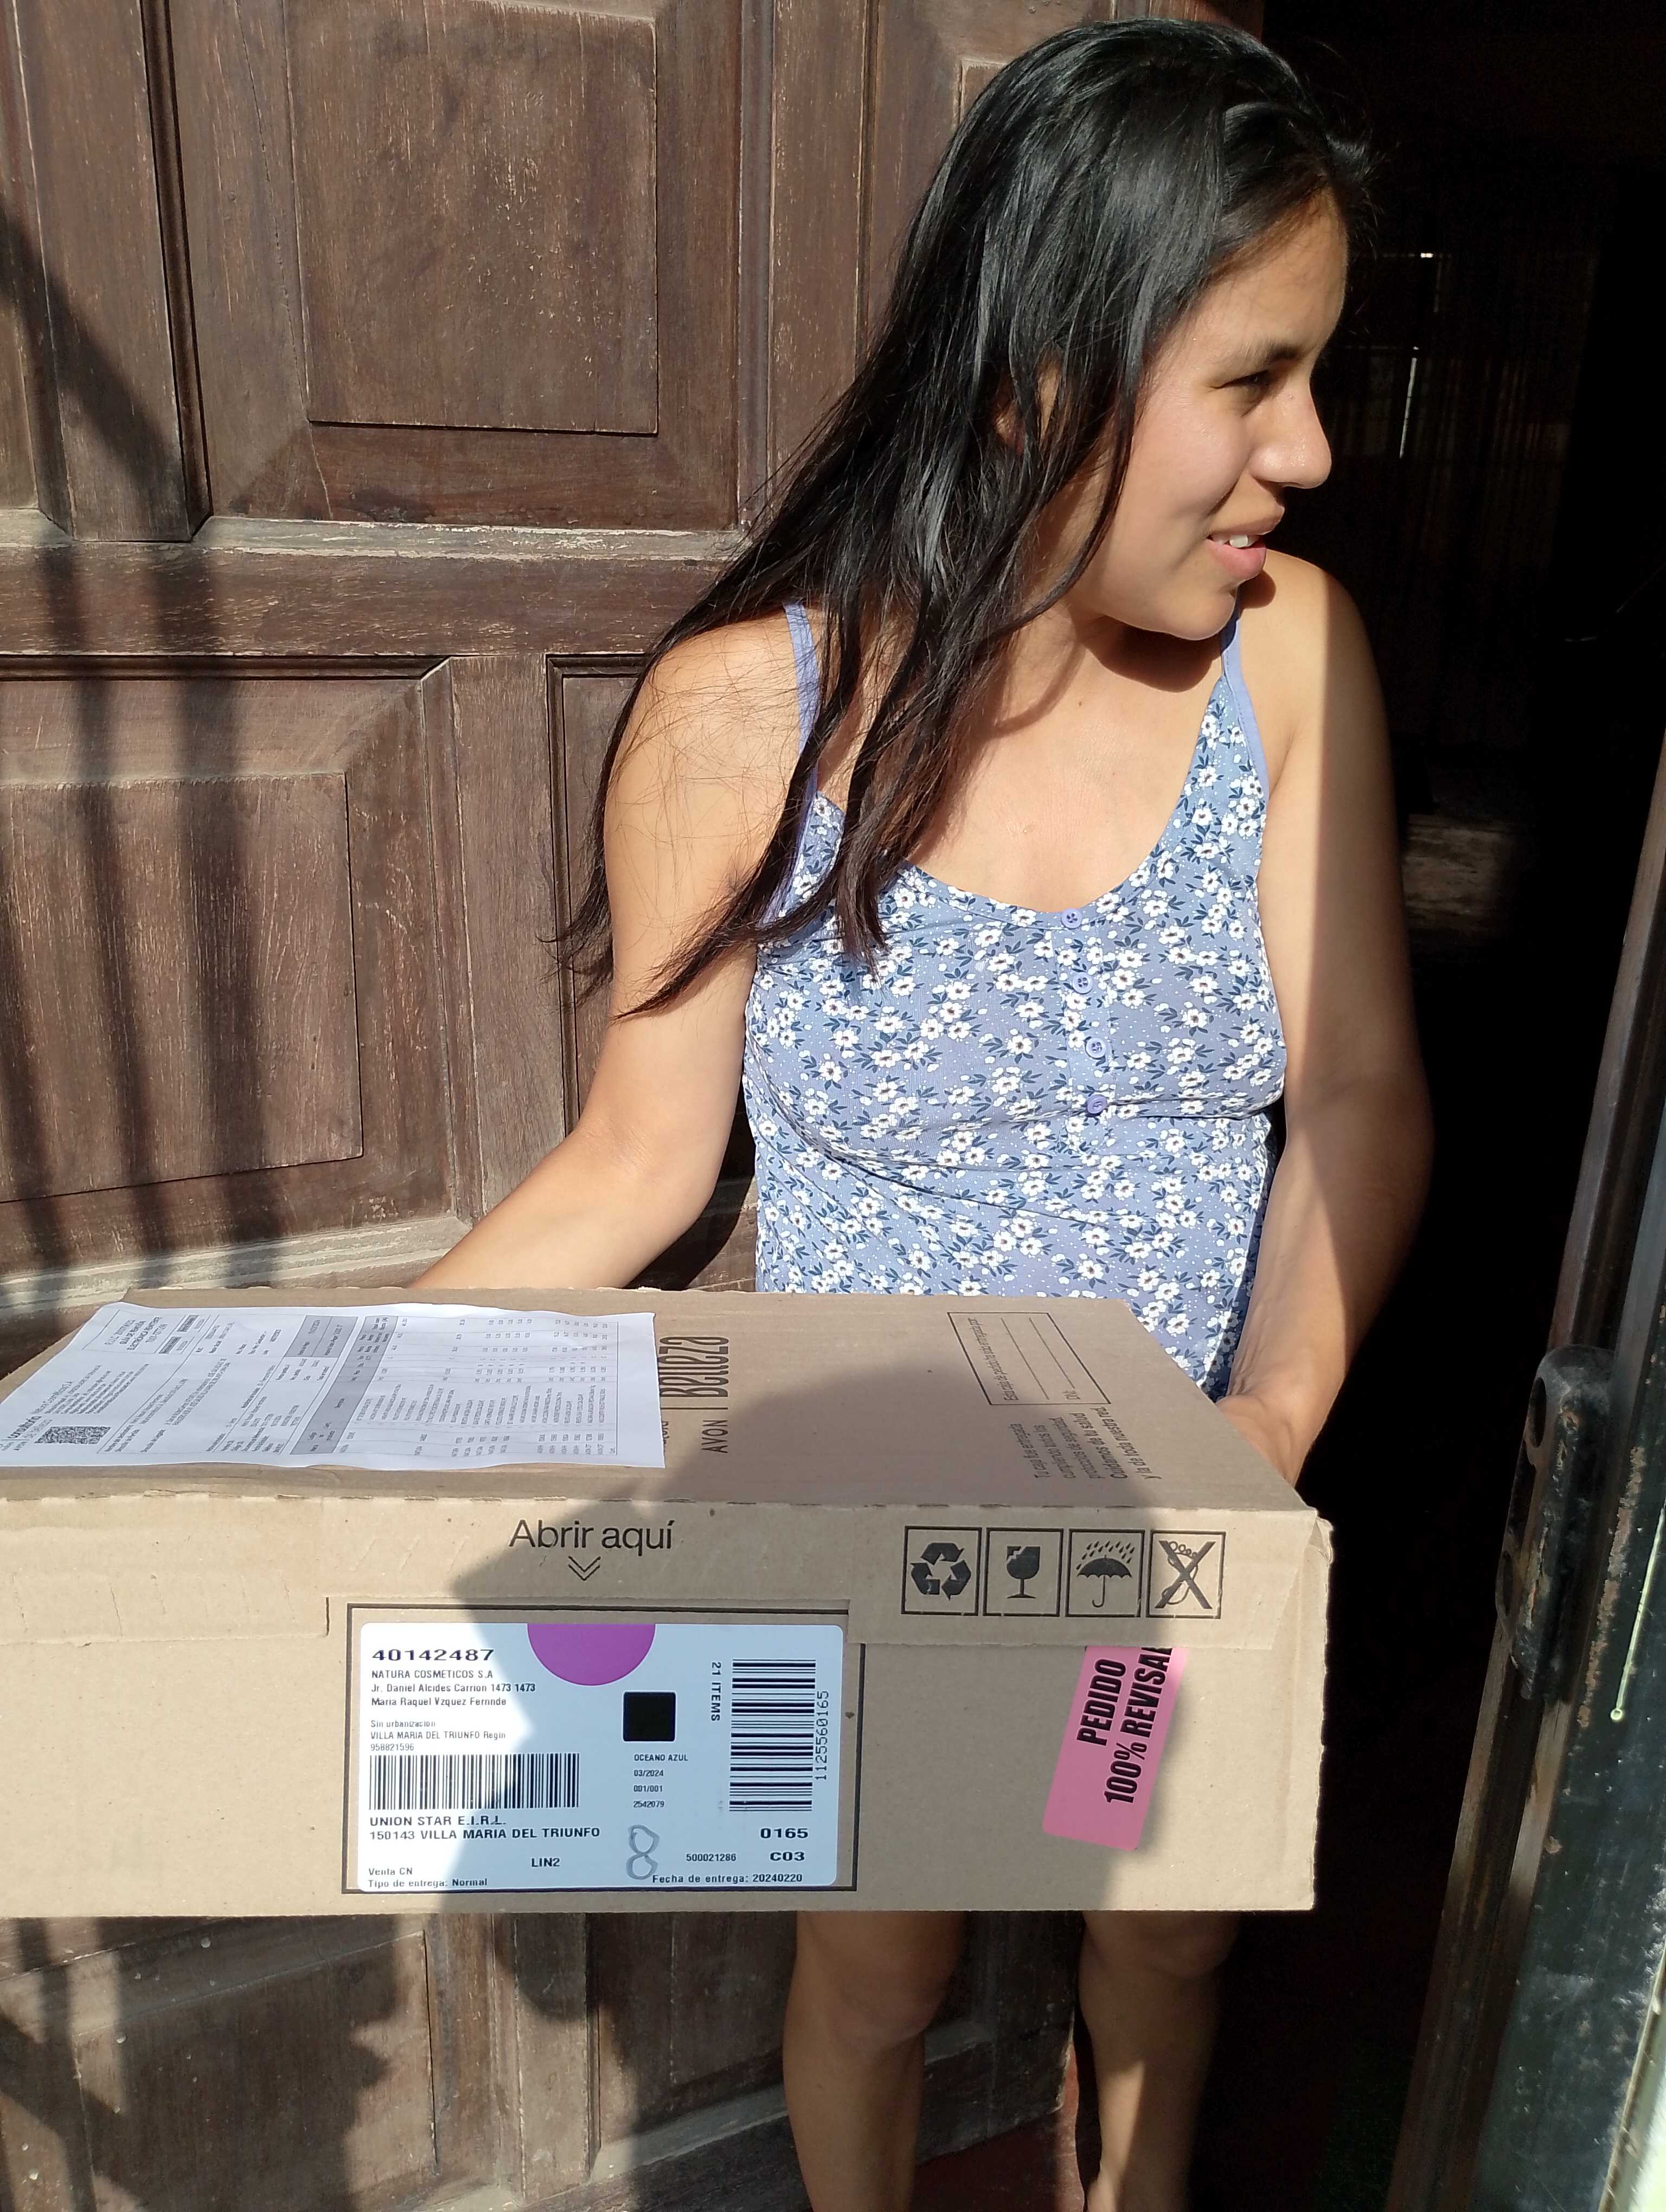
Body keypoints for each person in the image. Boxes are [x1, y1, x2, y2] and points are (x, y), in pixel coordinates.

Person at [416, 19, 1433, 2208]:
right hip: (883, 1565)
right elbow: (637, 1165)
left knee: (1157, 1939)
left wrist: (1261, 1431)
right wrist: (287, 1425)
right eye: (1255, 378)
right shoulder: (744, 724)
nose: (1313, 450)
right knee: (880, 1974)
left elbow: (1360, 1095)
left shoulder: (1288, 665)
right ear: (1044, 381)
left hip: (1172, 1548)